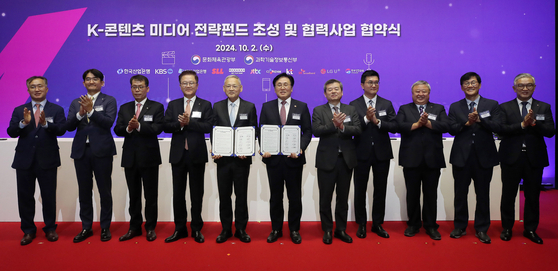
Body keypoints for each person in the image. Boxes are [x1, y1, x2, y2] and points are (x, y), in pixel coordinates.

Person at [7, 76, 66, 245]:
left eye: (40, 86)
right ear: (28, 90)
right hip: (24, 160)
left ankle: (50, 228)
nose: (37, 89)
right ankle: (28, 230)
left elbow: (62, 129)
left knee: (48, 196)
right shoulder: (20, 110)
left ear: (46, 89)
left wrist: (47, 125)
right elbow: (11, 131)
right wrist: (23, 124)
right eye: (33, 87)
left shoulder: (56, 109)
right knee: (25, 197)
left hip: (48, 159)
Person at [498, 73, 555, 244]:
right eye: (521, 85)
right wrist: (522, 125)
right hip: (511, 157)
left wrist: (534, 123)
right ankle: (507, 228)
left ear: (534, 88)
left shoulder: (543, 106)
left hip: (534, 158)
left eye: (529, 85)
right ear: (514, 88)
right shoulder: (504, 107)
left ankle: (530, 229)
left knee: (532, 196)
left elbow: (551, 132)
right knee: (508, 195)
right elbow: (501, 130)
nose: (525, 88)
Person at [448, 72, 500, 244]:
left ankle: (482, 228)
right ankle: (460, 226)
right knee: (460, 194)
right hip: (461, 157)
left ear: (479, 84)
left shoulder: (491, 104)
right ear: (462, 86)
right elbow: (452, 129)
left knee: (483, 194)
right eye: (466, 83)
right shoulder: (455, 106)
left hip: (484, 156)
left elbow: (497, 126)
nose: (470, 85)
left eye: (473, 82)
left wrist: (480, 121)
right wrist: (467, 123)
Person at [259, 73, 312, 244]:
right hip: (273, 160)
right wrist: (264, 149)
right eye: (279, 85)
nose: (282, 88)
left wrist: (300, 147)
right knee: (275, 196)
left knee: (294, 196)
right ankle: (276, 229)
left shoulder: (301, 106)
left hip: (294, 159)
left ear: (291, 87)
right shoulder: (266, 107)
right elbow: (262, 130)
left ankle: (294, 229)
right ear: (274, 88)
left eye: (286, 84)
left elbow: (308, 131)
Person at [163, 70, 214, 243]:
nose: (188, 86)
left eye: (191, 82)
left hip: (197, 155)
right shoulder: (174, 105)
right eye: (185, 83)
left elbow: (208, 126)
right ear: (180, 85)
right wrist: (179, 124)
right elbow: (166, 126)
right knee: (178, 194)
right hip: (178, 155)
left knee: (196, 193)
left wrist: (189, 122)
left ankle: (196, 229)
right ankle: (180, 229)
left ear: (197, 85)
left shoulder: (205, 104)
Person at [67, 69, 117, 243]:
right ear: (83, 83)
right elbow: (69, 126)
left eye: (95, 79)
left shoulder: (109, 100)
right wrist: (80, 113)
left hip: (102, 151)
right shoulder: (76, 102)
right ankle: (86, 227)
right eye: (87, 79)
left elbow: (108, 123)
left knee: (104, 191)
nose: (91, 82)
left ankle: (105, 227)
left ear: (102, 83)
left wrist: (91, 111)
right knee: (84, 191)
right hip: (82, 151)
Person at [395, 80, 449, 240]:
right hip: (411, 159)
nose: (420, 94)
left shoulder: (438, 108)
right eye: (417, 91)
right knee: (412, 194)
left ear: (428, 93)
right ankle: (413, 224)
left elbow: (446, 126)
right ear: (412, 94)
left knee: (431, 194)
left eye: (423, 91)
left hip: (433, 159)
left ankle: (431, 225)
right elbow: (398, 126)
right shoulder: (405, 108)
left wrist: (429, 124)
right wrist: (417, 124)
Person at [114, 75, 164, 242]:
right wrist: (128, 128)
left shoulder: (156, 106)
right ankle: (134, 227)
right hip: (130, 158)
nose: (137, 90)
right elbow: (117, 129)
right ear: (131, 89)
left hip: (149, 158)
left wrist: (140, 126)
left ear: (147, 88)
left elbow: (158, 128)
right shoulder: (125, 107)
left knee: (151, 195)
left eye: (141, 87)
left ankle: (150, 227)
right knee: (134, 195)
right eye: (134, 87)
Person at [349, 70, 397, 239]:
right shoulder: (353, 105)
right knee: (360, 190)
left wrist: (378, 122)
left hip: (381, 153)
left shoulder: (386, 103)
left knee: (380, 190)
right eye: (370, 82)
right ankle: (361, 224)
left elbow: (394, 126)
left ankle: (377, 223)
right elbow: (351, 128)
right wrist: (366, 119)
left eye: (376, 82)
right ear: (362, 85)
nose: (373, 85)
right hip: (360, 153)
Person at [312, 79, 361, 244]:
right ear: (325, 93)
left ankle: (341, 229)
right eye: (329, 90)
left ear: (342, 92)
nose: (333, 92)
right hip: (326, 160)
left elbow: (357, 129)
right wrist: (334, 125)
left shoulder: (350, 109)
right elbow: (317, 131)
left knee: (343, 197)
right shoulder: (319, 110)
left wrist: (342, 127)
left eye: (336, 89)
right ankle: (327, 229)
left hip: (346, 160)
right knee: (325, 198)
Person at [211, 75, 257, 243]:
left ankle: (241, 229)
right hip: (222, 159)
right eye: (228, 86)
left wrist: (248, 149)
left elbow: (254, 131)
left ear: (241, 88)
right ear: (224, 88)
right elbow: (213, 130)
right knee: (224, 195)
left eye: (234, 86)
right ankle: (225, 229)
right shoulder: (216, 106)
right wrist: (214, 149)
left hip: (242, 160)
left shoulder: (249, 106)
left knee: (241, 195)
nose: (231, 89)